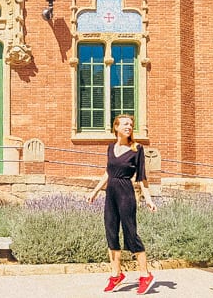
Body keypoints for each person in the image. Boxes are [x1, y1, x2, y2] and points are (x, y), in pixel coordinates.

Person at [87, 114, 157, 294]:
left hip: (126, 193)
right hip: (110, 193)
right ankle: (116, 274)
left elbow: (141, 177)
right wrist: (95, 191)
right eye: (125, 124)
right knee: (110, 232)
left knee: (130, 233)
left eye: (131, 125)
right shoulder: (111, 148)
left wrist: (148, 199)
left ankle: (144, 275)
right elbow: (108, 172)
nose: (129, 127)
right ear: (116, 127)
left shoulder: (137, 149)